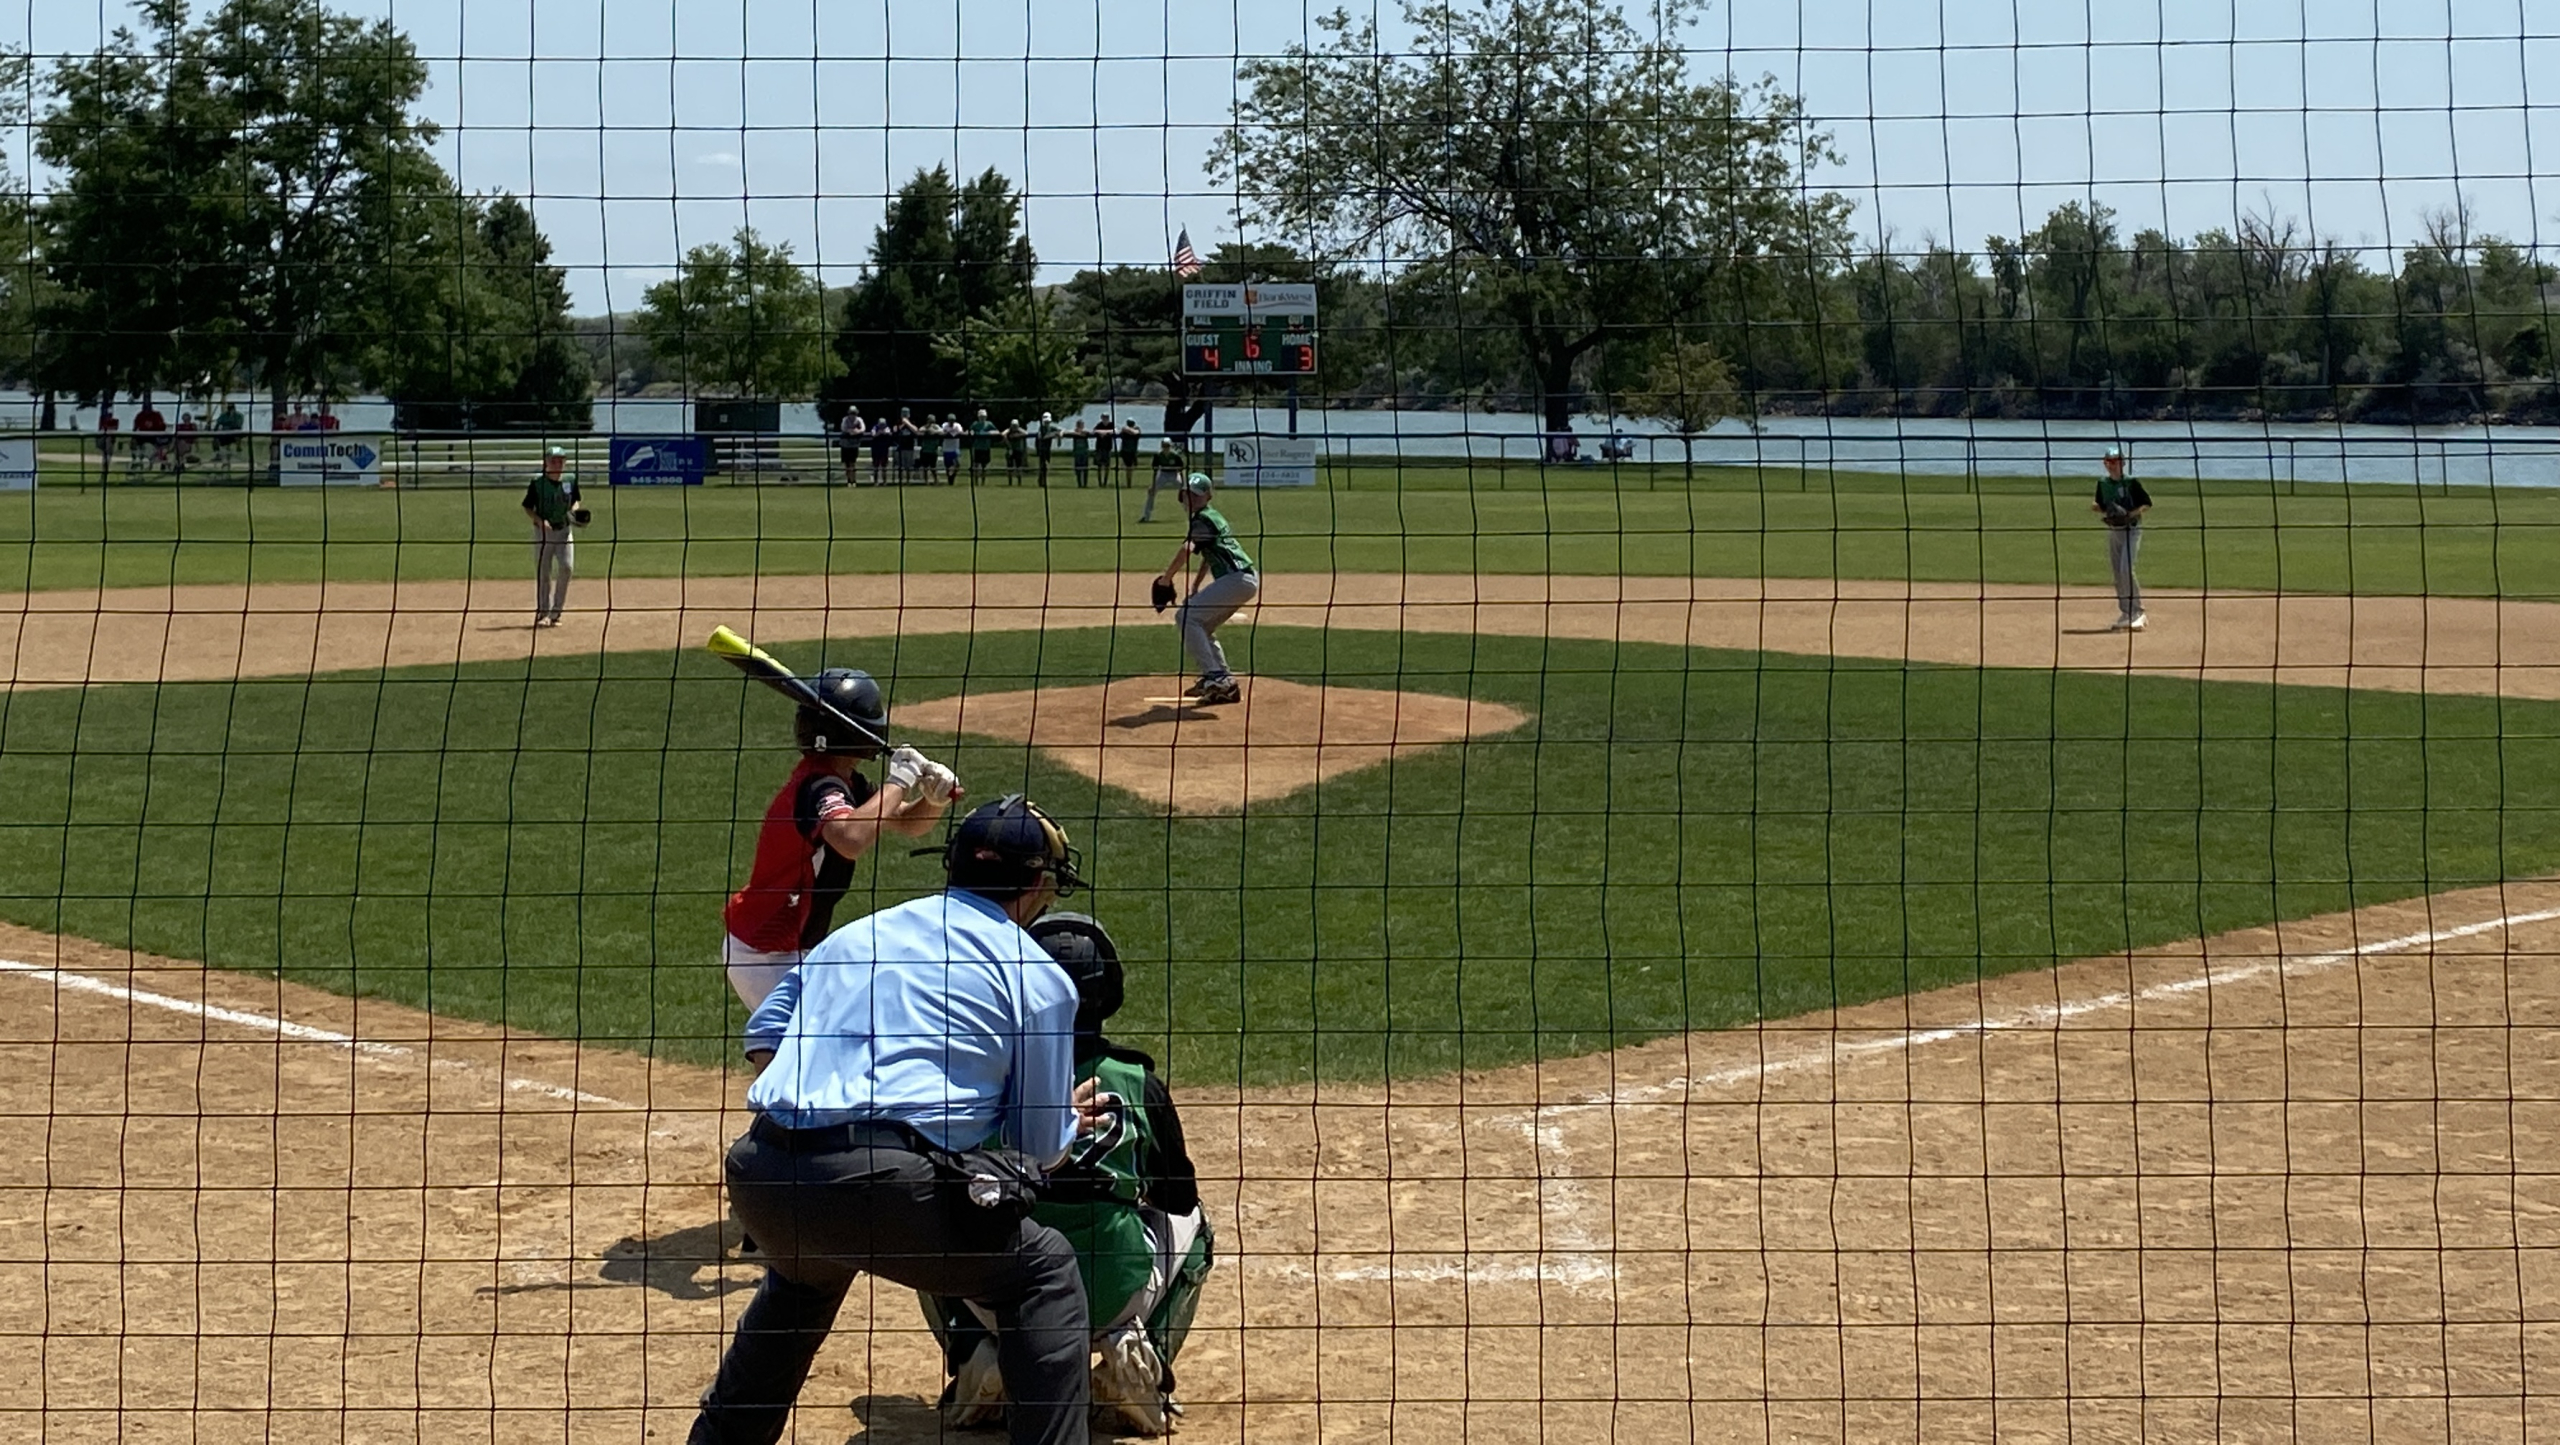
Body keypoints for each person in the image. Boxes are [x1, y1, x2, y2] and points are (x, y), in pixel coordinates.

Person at [687, 795, 1108, 1445]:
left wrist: (836, 1097)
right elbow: (1035, 1152)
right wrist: (1063, 1120)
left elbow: (766, 1030)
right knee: (1043, 1269)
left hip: (764, 1171)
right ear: (1038, 884)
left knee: (803, 1281)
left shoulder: (855, 937)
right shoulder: (1039, 977)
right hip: (885, 1184)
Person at [925, 912, 1213, 1436]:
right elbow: (1177, 1197)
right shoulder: (1138, 1081)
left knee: (929, 1212)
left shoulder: (982, 1076)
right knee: (1199, 1227)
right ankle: (1141, 1364)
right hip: (1112, 1295)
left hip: (1001, 1296)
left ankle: (977, 1354)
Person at [720, 673, 958, 1008]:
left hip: (795, 942)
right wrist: (900, 779)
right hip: (764, 949)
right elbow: (850, 838)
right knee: (803, 1050)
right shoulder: (819, 786)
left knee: (829, 1042)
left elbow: (906, 822)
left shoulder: (845, 782)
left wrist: (933, 800)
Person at [1156, 474, 1258, 705]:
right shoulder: (1212, 518)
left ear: (1208, 496)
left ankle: (1215, 676)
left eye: (1196, 494)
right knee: (1203, 625)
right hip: (1242, 580)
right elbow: (1208, 555)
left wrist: (1166, 579)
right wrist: (1196, 584)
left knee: (1186, 617)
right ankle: (1225, 685)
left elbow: (1187, 549)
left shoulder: (1202, 519)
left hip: (1237, 580)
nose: (1190, 499)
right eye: (1187, 494)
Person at [2092, 442, 2153, 631]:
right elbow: (2099, 504)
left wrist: (2129, 514)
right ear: (2105, 463)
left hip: (2132, 530)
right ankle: (2126, 613)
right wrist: (2101, 509)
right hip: (2114, 531)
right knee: (2118, 572)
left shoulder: (2131, 482)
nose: (2113, 464)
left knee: (2126, 568)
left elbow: (2147, 503)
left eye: (2116, 461)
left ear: (2123, 463)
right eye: (2109, 461)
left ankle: (2138, 612)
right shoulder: (2103, 483)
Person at [520, 446, 582, 627]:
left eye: (560, 460)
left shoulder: (570, 480)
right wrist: (540, 521)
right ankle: (543, 612)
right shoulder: (537, 483)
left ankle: (556, 613)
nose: (557, 463)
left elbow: (576, 500)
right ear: (546, 462)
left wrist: (574, 512)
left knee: (567, 567)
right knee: (543, 573)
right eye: (553, 460)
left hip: (564, 531)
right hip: (543, 533)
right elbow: (527, 507)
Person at [1137, 436, 1186, 523]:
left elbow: (1181, 469)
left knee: (1185, 493)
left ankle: (1191, 514)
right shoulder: (1158, 455)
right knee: (1151, 492)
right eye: (1164, 446)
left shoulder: (1175, 455)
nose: (1166, 448)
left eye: (1167, 446)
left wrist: (1183, 485)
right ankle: (1146, 516)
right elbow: (1155, 470)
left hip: (1174, 474)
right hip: (1163, 474)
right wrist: (1153, 485)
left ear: (1171, 446)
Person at [133, 400, 169, 471]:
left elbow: (162, 426)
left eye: (148, 406)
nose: (146, 408)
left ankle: (163, 463)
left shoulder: (156, 415)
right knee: (136, 444)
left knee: (160, 446)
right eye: (145, 406)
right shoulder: (140, 415)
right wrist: (134, 436)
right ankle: (136, 462)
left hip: (155, 436)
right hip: (143, 436)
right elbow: (135, 427)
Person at [211, 401, 244, 468]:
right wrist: (215, 431)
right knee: (215, 439)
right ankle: (217, 454)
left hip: (235, 432)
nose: (230, 409)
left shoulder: (239, 416)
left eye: (231, 408)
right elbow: (218, 422)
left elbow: (238, 425)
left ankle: (238, 448)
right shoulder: (223, 415)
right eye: (229, 408)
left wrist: (231, 419)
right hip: (225, 432)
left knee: (237, 435)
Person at [838, 406, 865, 485]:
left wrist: (857, 431)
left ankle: (854, 480)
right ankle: (849, 480)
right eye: (851, 413)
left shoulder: (859, 420)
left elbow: (863, 428)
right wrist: (850, 431)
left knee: (853, 463)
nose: (852, 415)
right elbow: (843, 428)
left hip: (854, 445)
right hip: (845, 445)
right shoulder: (845, 420)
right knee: (847, 464)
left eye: (854, 413)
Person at [970, 408, 996, 483]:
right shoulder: (975, 424)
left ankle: (983, 481)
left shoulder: (989, 424)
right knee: (976, 465)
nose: (982, 418)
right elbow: (970, 430)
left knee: (984, 466)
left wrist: (990, 433)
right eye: (981, 416)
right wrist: (972, 432)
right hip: (977, 447)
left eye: (983, 416)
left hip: (986, 447)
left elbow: (996, 431)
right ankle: (976, 481)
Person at [894, 408, 920, 482]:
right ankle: (901, 480)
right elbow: (895, 430)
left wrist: (907, 423)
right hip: (900, 447)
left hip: (909, 447)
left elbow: (916, 430)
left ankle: (908, 480)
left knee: (908, 465)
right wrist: (903, 424)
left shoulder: (912, 422)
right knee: (900, 466)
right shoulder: (898, 422)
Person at [94, 403, 118, 474]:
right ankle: (104, 469)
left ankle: (105, 469)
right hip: (105, 440)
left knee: (107, 456)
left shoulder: (114, 421)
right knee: (105, 456)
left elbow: (114, 430)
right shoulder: (102, 420)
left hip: (110, 441)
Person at [1035, 413, 1057, 487]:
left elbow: (1059, 430)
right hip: (1042, 449)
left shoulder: (1051, 428)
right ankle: (1041, 481)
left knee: (1046, 466)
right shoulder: (1041, 428)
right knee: (1043, 465)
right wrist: (1053, 434)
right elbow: (1043, 437)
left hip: (1048, 449)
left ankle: (1043, 480)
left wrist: (1059, 434)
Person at [1118, 418, 1142, 485]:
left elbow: (1136, 432)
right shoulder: (1124, 429)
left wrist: (1130, 431)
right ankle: (1128, 483)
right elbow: (1123, 430)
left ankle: (1129, 482)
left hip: (1133, 451)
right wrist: (1129, 431)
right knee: (1128, 467)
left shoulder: (1137, 428)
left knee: (1132, 467)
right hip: (1125, 450)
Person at [869, 415, 893, 484]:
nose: (882, 426)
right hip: (876, 449)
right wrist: (879, 433)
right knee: (875, 466)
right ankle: (875, 481)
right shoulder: (875, 428)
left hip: (884, 449)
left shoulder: (887, 428)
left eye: (883, 424)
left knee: (884, 466)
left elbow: (890, 433)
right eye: (881, 424)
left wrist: (885, 433)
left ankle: (884, 481)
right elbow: (873, 435)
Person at [1004, 417, 1029, 483]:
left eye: (1015, 425)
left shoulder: (1020, 431)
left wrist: (1019, 430)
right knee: (1010, 467)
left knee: (1019, 467)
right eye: (1013, 425)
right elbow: (1003, 434)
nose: (1014, 427)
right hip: (1010, 451)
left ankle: (1019, 481)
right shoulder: (1008, 432)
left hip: (1018, 450)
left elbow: (1026, 433)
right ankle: (1010, 481)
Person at [1071, 420, 1093, 489]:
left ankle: (1085, 484)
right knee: (1078, 469)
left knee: (1085, 469)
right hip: (1077, 453)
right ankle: (1079, 484)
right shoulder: (1073, 433)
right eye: (1079, 425)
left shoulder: (1086, 433)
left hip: (1084, 452)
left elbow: (1091, 433)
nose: (1080, 426)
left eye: (1081, 425)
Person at [942, 415, 964, 483]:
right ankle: (949, 478)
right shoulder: (944, 425)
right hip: (946, 448)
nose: (951, 422)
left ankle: (953, 476)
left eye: (953, 420)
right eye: (950, 420)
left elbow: (960, 432)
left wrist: (953, 433)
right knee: (947, 466)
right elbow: (942, 432)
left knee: (957, 464)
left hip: (955, 448)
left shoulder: (957, 425)